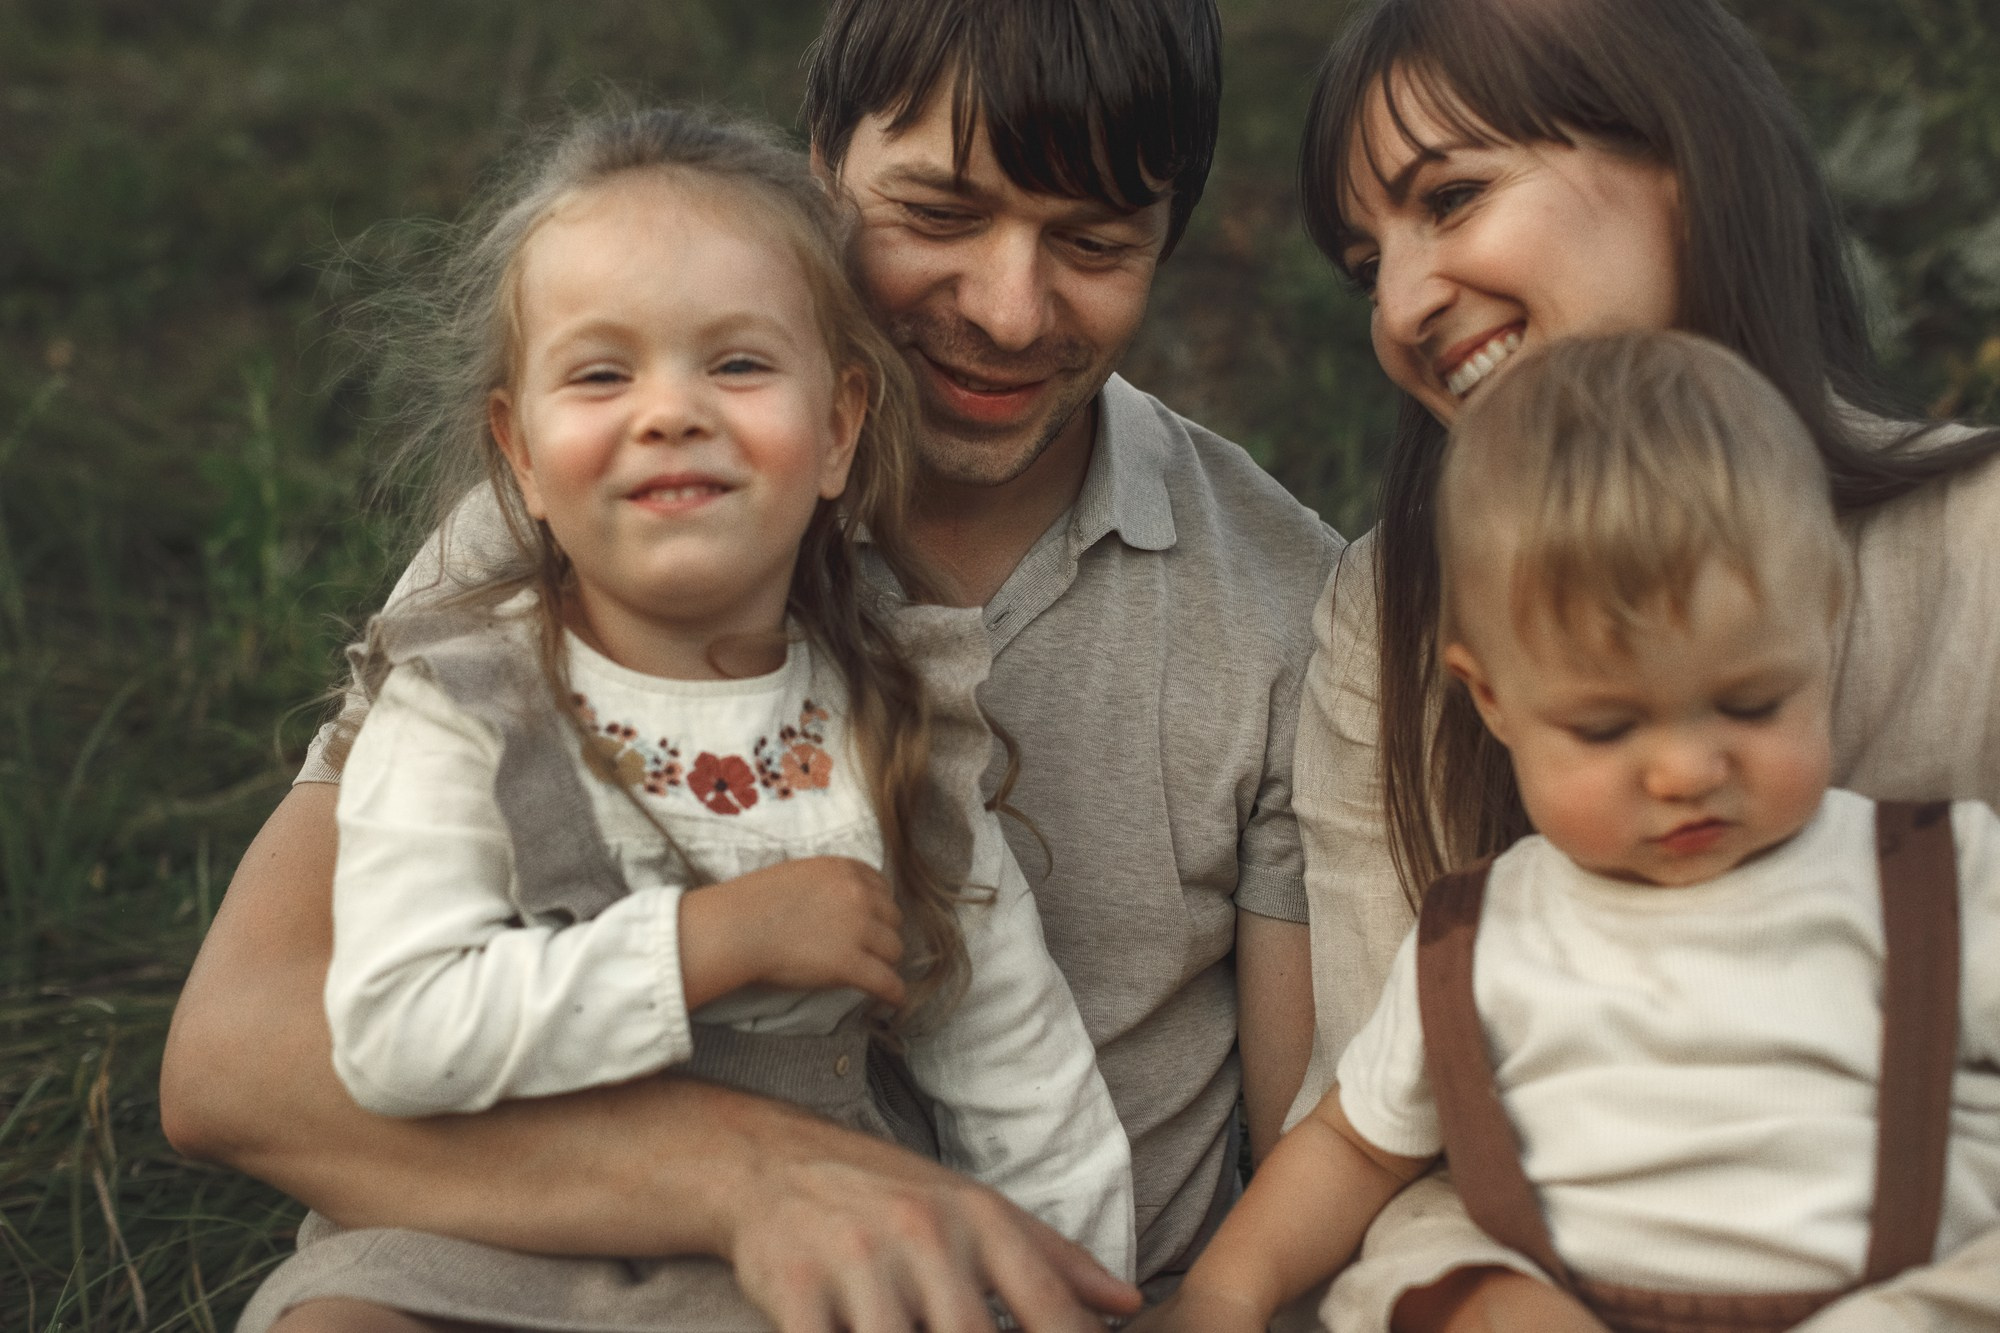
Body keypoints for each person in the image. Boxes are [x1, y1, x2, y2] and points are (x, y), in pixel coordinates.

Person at [160, 2, 1342, 1329]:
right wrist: (761, 1176)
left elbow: (1324, 1139)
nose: (1012, 312)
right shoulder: (597, 506)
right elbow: (232, 1062)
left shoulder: (1288, 605)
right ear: (819, 166)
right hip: (533, 1257)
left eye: (1094, 244)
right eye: (939, 215)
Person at [1282, 0, 2000, 1328]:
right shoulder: (1385, 618)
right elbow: (1379, 1132)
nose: (1399, 304)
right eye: (1362, 259)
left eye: (1451, 196)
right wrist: (1481, 1297)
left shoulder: (1982, 551)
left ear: (1684, 159)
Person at [1136, 331, 2000, 1333]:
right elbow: (1354, 1146)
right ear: (1494, 700)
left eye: (1751, 704)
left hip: (1896, 1292)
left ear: (1823, 621)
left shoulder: (1931, 878)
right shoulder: (1480, 937)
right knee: (1440, 1289)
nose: (1684, 771)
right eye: (1605, 726)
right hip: (1584, 1306)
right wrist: (1225, 1290)